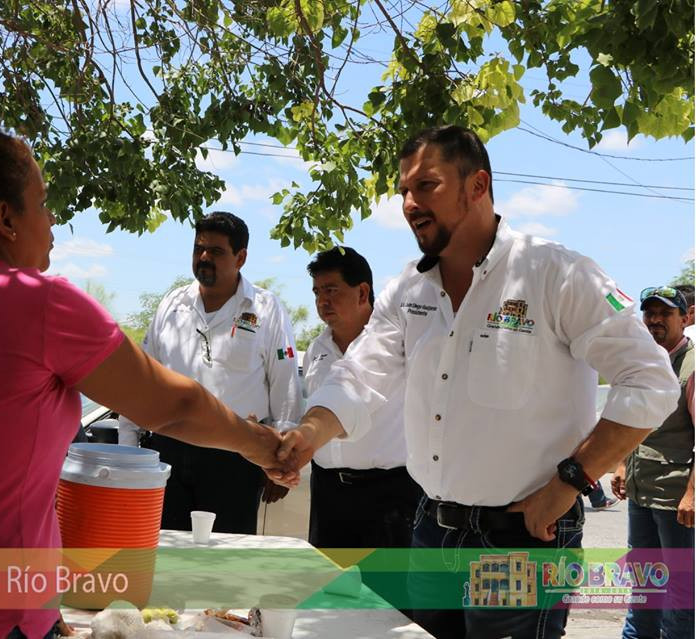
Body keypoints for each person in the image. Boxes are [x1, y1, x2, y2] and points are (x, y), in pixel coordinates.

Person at [0, 115, 283, 639]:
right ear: (7, 219)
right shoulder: (41, 304)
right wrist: (261, 445)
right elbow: (171, 406)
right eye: (43, 203)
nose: (53, 220)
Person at [269, 125, 678, 639]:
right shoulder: (408, 290)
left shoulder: (554, 274)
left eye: (427, 186)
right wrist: (307, 436)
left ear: (477, 186)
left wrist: (570, 482)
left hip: (521, 536)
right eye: (404, 192)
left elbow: (650, 381)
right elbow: (361, 373)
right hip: (431, 528)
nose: (410, 203)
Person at [118, 212, 302, 534]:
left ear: (240, 257)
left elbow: (285, 383)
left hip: (235, 457)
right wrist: (127, 448)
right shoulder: (173, 305)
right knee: (164, 552)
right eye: (198, 248)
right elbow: (142, 380)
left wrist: (282, 458)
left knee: (225, 563)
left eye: (216, 251)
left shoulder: (266, 309)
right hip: (167, 452)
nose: (204, 257)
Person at [302, 246, 420, 550]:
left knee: (387, 594)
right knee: (328, 591)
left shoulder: (400, 342)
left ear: (363, 291)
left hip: (388, 495)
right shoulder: (317, 350)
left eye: (331, 290)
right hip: (328, 495)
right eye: (317, 292)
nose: (321, 301)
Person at [612, 285, 694, 639]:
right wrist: (619, 465)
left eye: (665, 313)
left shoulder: (691, 368)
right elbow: (631, 422)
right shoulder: (642, 364)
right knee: (644, 583)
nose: (656, 320)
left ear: (685, 318)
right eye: (650, 313)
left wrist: (692, 494)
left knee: (679, 590)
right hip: (641, 492)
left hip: (675, 500)